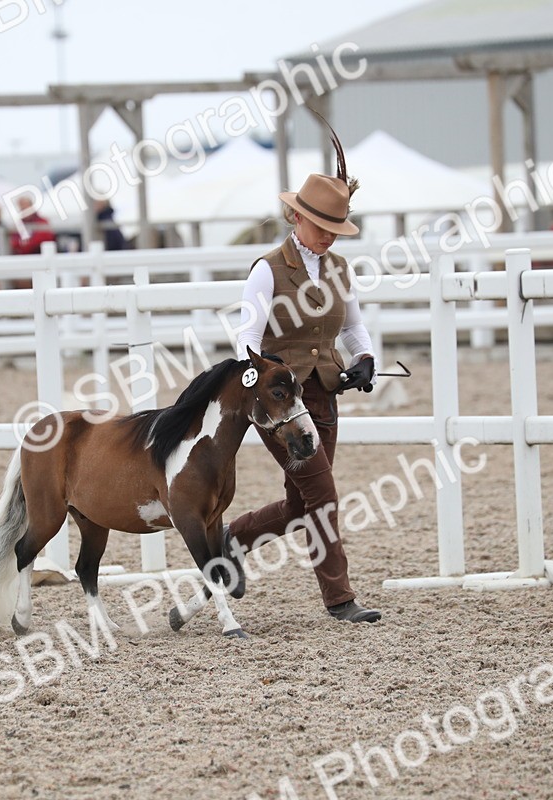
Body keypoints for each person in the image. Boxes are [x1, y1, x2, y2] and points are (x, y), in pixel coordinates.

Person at [220, 124, 383, 624]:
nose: (330, 236)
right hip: (280, 404)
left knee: (303, 500)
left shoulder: (338, 270)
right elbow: (245, 337)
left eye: (336, 227)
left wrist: (365, 360)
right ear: (296, 216)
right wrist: (266, 385)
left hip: (325, 394)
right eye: (321, 226)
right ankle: (340, 598)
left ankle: (231, 540)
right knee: (323, 494)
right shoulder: (267, 269)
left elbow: (353, 329)